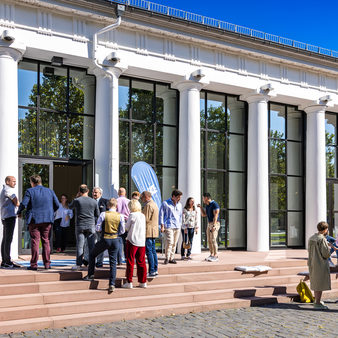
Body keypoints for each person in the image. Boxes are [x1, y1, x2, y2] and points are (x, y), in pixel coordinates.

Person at [17, 175, 59, 270]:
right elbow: (57, 205)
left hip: (34, 220)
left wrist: (19, 212)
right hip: (47, 219)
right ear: (40, 181)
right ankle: (47, 264)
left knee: (35, 241)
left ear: (32, 182)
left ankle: (34, 264)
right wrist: (50, 212)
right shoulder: (50, 191)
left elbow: (24, 204)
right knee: (46, 241)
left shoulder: (30, 191)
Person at [83, 198, 125, 293]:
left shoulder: (104, 214)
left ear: (108, 206)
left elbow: (97, 228)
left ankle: (91, 275)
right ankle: (112, 284)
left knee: (93, 254)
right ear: (116, 206)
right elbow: (122, 230)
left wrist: (102, 230)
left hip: (105, 238)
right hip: (115, 239)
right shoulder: (120, 216)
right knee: (113, 262)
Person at [70, 184, 99, 271]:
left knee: (80, 246)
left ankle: (79, 265)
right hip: (91, 225)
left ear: (79, 191)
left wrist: (76, 196)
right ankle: (92, 265)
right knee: (91, 246)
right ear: (88, 191)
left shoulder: (77, 200)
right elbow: (97, 214)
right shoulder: (94, 201)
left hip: (80, 225)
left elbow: (70, 207)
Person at [308, 221, 337, 309]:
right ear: (325, 230)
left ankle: (317, 300)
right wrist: (329, 249)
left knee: (315, 282)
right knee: (319, 283)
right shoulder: (322, 239)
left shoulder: (312, 237)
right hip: (320, 263)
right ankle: (317, 303)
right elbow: (326, 254)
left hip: (312, 262)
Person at [122, 199, 147, 289]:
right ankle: (143, 281)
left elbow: (126, 227)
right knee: (141, 262)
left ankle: (129, 281)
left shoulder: (132, 215)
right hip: (141, 241)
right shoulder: (142, 215)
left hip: (132, 240)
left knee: (130, 261)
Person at [0, 176, 20, 268]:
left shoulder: (4, 190)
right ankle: (7, 262)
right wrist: (18, 204)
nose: (15, 183)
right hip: (9, 217)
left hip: (6, 217)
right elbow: (16, 202)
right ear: (7, 181)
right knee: (8, 240)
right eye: (13, 181)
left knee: (5, 239)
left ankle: (5, 261)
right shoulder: (9, 190)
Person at [159, 189, 183, 265]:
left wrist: (181, 224)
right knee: (170, 242)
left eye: (180, 197)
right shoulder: (165, 203)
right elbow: (161, 215)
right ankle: (167, 257)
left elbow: (180, 216)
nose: (179, 199)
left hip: (177, 226)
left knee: (175, 243)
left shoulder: (180, 204)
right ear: (173, 196)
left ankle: (171, 258)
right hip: (168, 225)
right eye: (178, 197)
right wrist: (162, 226)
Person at [141, 191, 159, 277]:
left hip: (148, 231)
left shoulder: (148, 205)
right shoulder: (154, 204)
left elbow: (146, 219)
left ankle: (152, 270)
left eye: (142, 198)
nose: (141, 199)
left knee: (149, 251)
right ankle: (155, 269)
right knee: (153, 251)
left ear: (146, 197)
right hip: (153, 230)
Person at [197, 192, 220, 262]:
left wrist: (214, 225)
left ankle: (216, 255)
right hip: (209, 223)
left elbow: (216, 215)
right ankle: (212, 254)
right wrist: (201, 207)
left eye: (203, 198)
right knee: (209, 240)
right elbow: (204, 215)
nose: (203, 199)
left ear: (206, 198)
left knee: (213, 239)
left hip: (214, 223)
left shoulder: (214, 204)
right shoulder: (207, 205)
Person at [92, 187, 108, 267]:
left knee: (99, 245)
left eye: (96, 192)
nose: (94, 194)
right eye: (93, 192)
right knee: (90, 244)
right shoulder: (90, 201)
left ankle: (99, 261)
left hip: (101, 228)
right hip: (91, 226)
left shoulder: (105, 201)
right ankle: (89, 260)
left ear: (100, 194)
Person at [117, 187, 130, 264]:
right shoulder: (129, 201)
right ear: (125, 193)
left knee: (119, 241)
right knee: (126, 241)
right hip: (126, 221)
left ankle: (119, 260)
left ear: (118, 193)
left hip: (118, 221)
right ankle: (127, 258)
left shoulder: (116, 201)